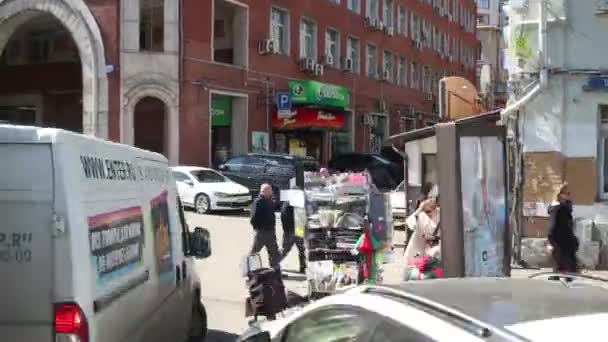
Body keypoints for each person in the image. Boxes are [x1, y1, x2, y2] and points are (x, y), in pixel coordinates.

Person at [547, 183, 579, 273]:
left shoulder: (565, 208)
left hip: (567, 245)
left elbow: (568, 227)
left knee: (566, 272)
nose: (569, 196)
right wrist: (551, 243)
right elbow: (551, 228)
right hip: (560, 246)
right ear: (560, 195)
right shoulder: (557, 209)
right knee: (562, 272)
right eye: (567, 193)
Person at [250, 183, 282, 269]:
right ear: (264, 192)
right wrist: (258, 228)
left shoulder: (269, 201)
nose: (272, 193)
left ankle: (275, 270)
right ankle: (250, 270)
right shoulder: (258, 202)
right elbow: (253, 218)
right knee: (254, 252)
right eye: (270, 191)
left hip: (271, 231)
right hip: (261, 232)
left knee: (274, 252)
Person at [279, 200, 306, 273]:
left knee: (286, 249)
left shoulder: (286, 204)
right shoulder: (295, 204)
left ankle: (303, 266)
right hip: (296, 229)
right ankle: (303, 266)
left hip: (291, 230)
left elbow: (283, 217)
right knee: (302, 249)